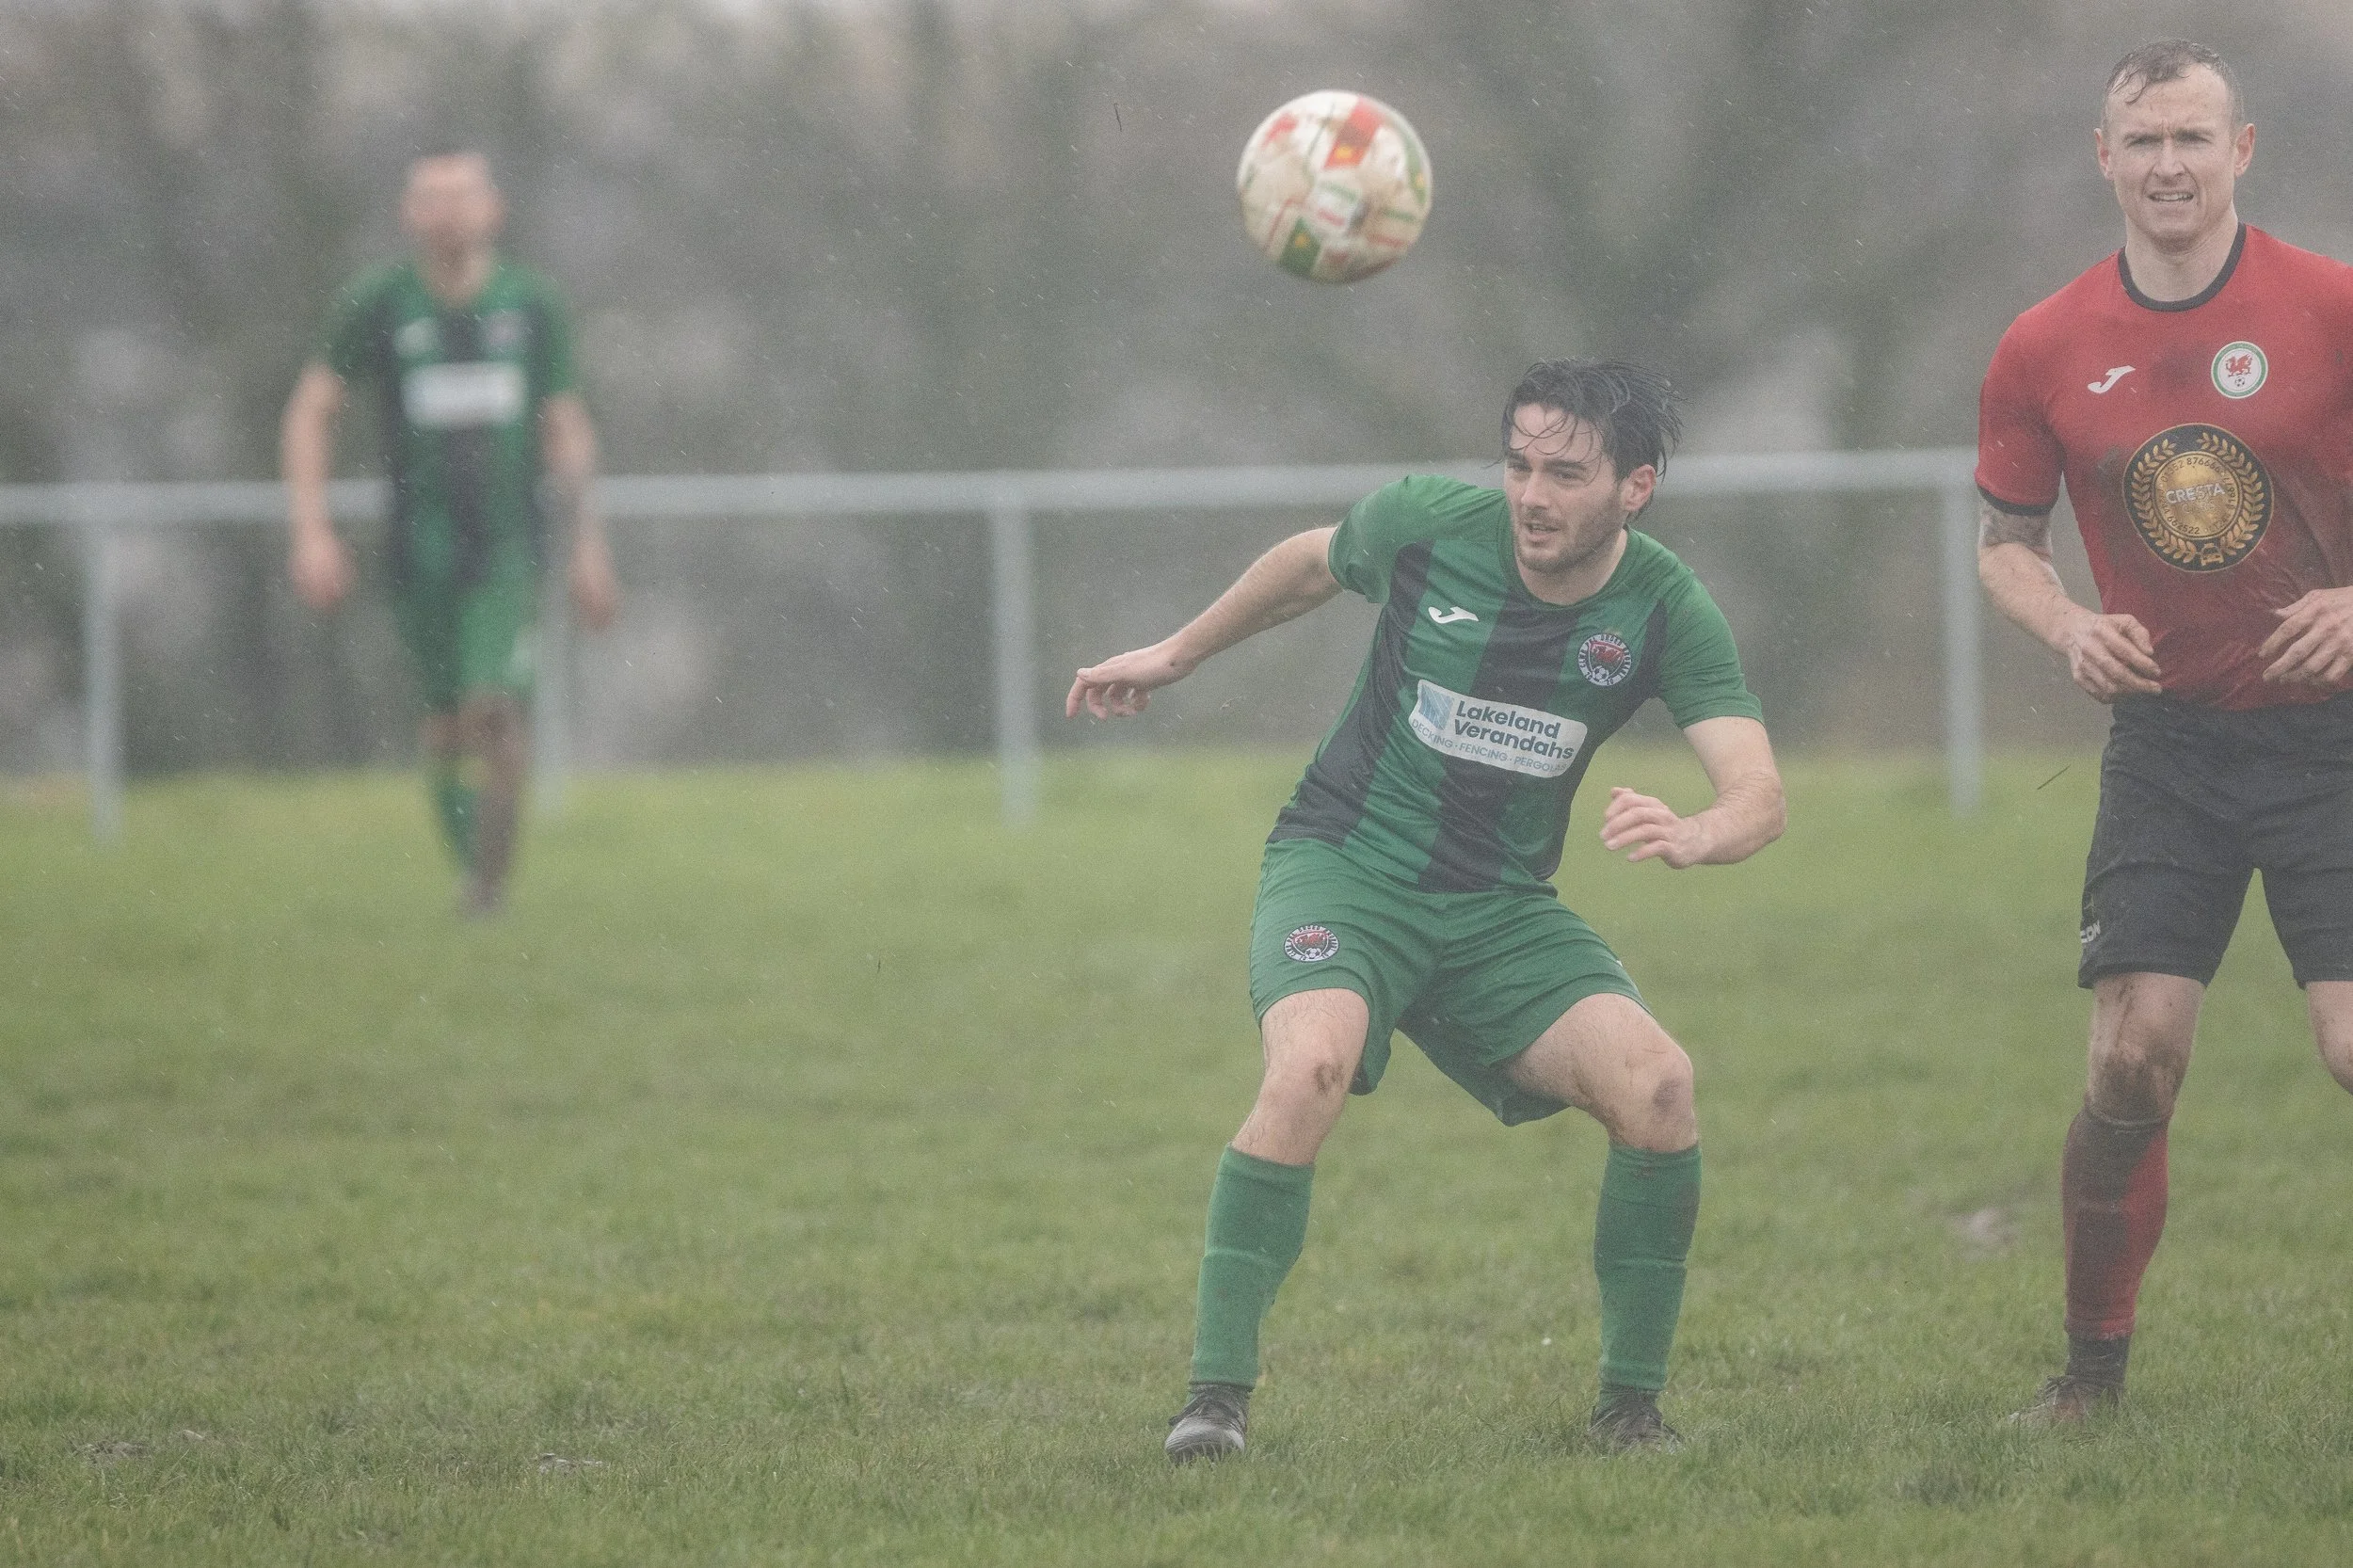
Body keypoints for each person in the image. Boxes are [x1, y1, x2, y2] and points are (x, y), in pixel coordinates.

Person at [1068, 359, 1785, 1461]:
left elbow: (1759, 793)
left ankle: (1629, 1414)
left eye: (1565, 473)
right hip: (1346, 867)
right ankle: (1213, 1402)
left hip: (1499, 908)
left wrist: (1700, 832)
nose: (1532, 495)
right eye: (1517, 464)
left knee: (1661, 1089)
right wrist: (1176, 653)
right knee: (1307, 1068)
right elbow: (1310, 562)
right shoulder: (1426, 526)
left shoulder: (1663, 606)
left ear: (1633, 489)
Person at [1977, 40, 2353, 1424]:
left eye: (2194, 138)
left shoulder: (2332, 306)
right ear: (2105, 159)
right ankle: (2090, 1377)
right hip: (2171, 748)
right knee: (2133, 1050)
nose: (2170, 166)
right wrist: (2068, 625)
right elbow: (2004, 545)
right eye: (2144, 142)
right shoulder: (2044, 343)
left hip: (2337, 742)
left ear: (2242, 149)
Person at [281, 148, 618, 916]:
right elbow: (310, 409)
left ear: (493, 209)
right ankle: (473, 865)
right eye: (431, 198)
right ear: (409, 214)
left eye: (463, 196)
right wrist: (311, 530)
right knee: (445, 724)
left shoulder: (532, 305)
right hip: (418, 551)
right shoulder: (379, 303)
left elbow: (565, 424)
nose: (449, 213)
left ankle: (488, 886)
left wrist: (590, 544)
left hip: (507, 551)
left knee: (493, 708)